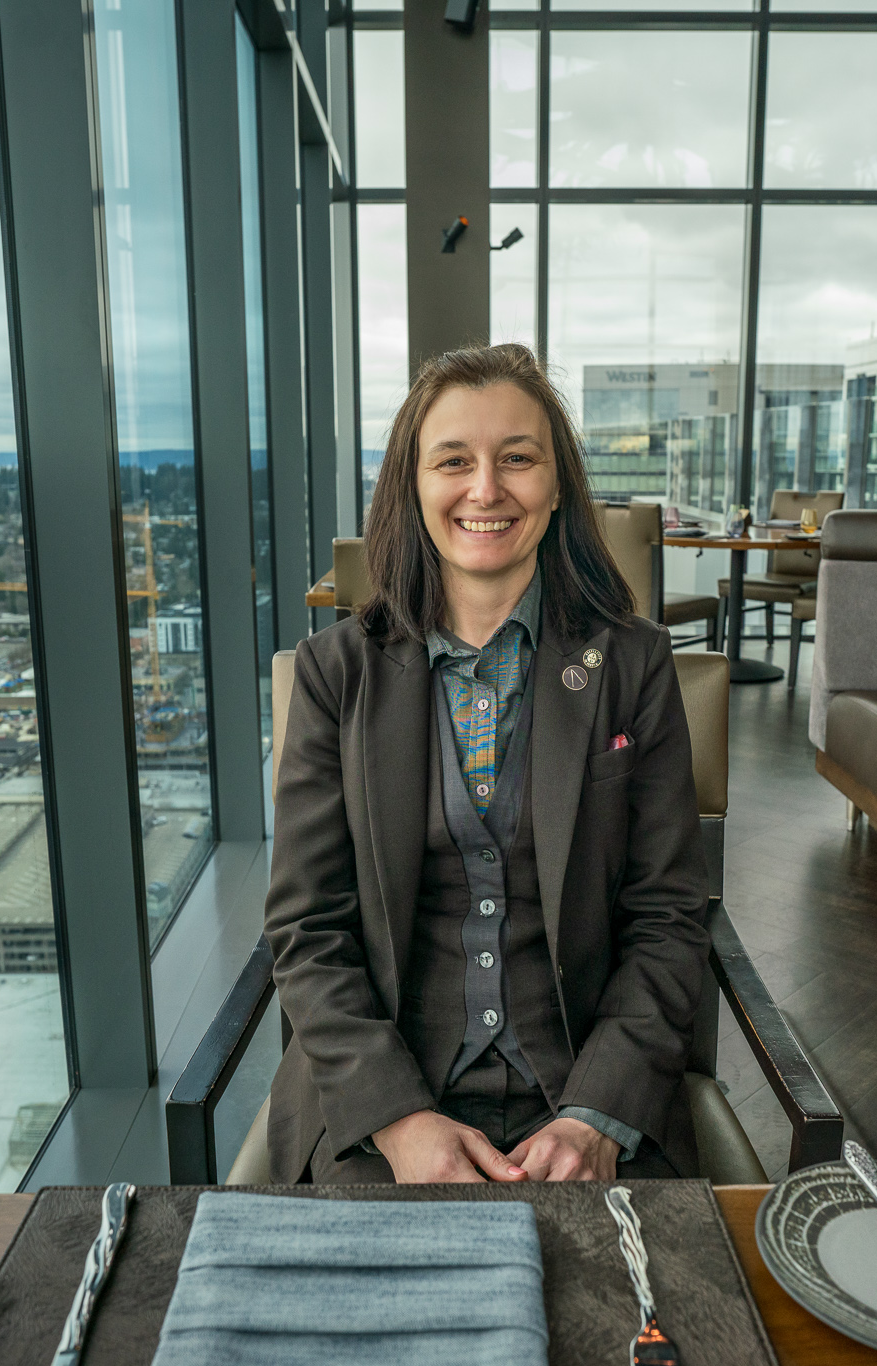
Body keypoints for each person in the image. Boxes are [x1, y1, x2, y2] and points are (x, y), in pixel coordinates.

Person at [264, 342, 709, 1185]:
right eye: (454, 462)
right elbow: (307, 929)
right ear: (413, 485)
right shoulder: (335, 675)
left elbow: (668, 915)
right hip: (383, 1105)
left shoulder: (636, 666)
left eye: (517, 459)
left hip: (585, 1091)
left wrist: (598, 1113)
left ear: (556, 485)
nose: (486, 489)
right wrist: (396, 1120)